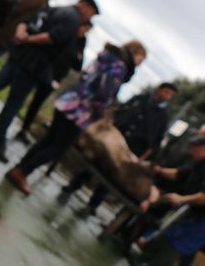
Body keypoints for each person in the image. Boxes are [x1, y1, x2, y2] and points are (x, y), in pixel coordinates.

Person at [0, 0, 100, 162]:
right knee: (14, 103)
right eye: (91, 13)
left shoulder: (56, 9)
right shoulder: (72, 20)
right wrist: (29, 39)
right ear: (85, 6)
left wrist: (21, 35)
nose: (89, 18)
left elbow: (28, 20)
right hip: (34, 65)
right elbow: (51, 38)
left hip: (20, 54)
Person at [4, 39, 147, 195]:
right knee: (57, 148)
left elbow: (86, 75)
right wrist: (101, 114)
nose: (140, 64)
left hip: (69, 100)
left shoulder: (106, 56)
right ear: (134, 52)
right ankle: (22, 172)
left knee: (49, 139)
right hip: (81, 111)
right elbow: (104, 92)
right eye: (141, 58)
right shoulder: (119, 67)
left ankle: (19, 168)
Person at [59, 81, 176, 214]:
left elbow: (155, 143)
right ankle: (72, 186)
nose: (167, 96)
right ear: (159, 89)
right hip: (114, 139)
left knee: (114, 174)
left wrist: (141, 159)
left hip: (132, 149)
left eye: (170, 95)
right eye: (166, 92)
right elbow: (121, 111)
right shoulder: (141, 99)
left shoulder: (164, 117)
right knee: (95, 160)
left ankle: (92, 205)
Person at [131, 135, 205, 266]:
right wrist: (158, 170)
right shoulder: (200, 165)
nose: (190, 151)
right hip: (199, 214)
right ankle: (142, 260)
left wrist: (181, 199)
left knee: (178, 244)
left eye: (194, 148)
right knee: (169, 236)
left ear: (204, 149)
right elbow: (179, 174)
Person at [15, 21, 91, 145]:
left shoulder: (81, 42)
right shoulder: (69, 33)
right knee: (22, 92)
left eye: (87, 31)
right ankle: (7, 115)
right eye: (84, 29)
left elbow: (78, 65)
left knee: (37, 102)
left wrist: (79, 57)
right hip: (44, 69)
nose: (84, 33)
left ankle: (24, 128)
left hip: (56, 76)